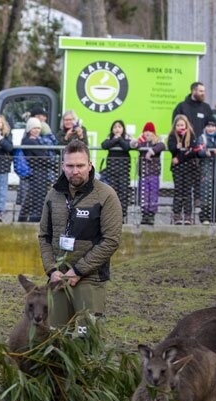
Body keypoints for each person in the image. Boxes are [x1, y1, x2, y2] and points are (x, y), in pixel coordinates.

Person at [38, 141, 122, 327]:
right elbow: (44, 236)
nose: (75, 171)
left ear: (90, 165)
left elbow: (111, 240)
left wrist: (78, 271)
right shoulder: (53, 194)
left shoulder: (106, 195)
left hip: (89, 278)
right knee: (55, 335)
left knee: (87, 336)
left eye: (80, 165)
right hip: (58, 279)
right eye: (70, 166)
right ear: (63, 166)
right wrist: (51, 270)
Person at [19, 117, 56, 222]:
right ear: (29, 129)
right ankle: (34, 221)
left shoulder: (36, 140)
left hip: (39, 172)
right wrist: (55, 165)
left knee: (30, 199)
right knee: (37, 199)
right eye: (34, 128)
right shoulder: (29, 141)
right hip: (36, 173)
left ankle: (23, 220)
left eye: (38, 128)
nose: (36, 130)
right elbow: (42, 156)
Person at [168, 114, 200, 225]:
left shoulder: (191, 136)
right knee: (178, 191)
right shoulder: (172, 136)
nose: (180, 127)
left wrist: (179, 158)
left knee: (187, 192)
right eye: (178, 125)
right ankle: (176, 215)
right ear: (175, 126)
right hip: (177, 169)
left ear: (186, 125)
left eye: (182, 125)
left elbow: (192, 151)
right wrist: (176, 148)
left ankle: (188, 216)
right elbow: (170, 149)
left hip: (189, 168)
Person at [131, 122, 165, 225]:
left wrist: (152, 151)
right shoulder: (142, 143)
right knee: (144, 195)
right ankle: (144, 215)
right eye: (145, 131)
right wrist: (134, 142)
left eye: (149, 131)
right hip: (144, 174)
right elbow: (134, 146)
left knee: (153, 194)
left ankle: (151, 215)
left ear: (154, 133)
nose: (147, 133)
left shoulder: (157, 142)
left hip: (154, 174)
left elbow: (162, 146)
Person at [100, 120, 134, 221]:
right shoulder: (110, 138)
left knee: (123, 194)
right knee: (112, 194)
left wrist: (119, 139)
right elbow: (104, 145)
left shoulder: (127, 138)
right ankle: (112, 216)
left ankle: (122, 216)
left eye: (119, 127)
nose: (117, 129)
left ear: (123, 128)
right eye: (115, 127)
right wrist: (116, 139)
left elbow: (127, 147)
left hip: (123, 172)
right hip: (111, 172)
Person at [197, 119, 216, 225]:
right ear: (205, 127)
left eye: (213, 126)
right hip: (206, 168)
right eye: (208, 126)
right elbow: (199, 149)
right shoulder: (202, 137)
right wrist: (205, 152)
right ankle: (205, 216)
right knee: (206, 192)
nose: (211, 128)